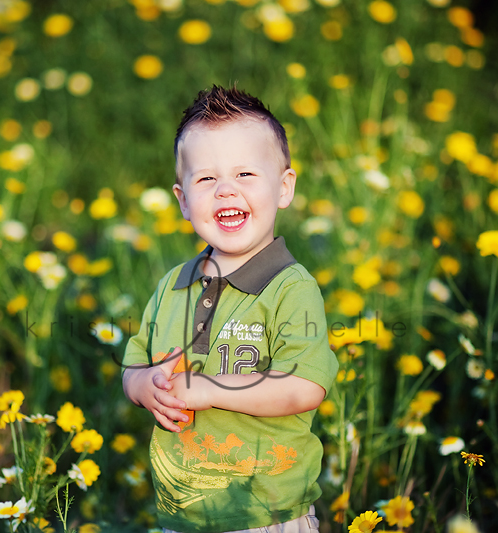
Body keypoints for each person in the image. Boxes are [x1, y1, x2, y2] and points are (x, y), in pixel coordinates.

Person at [121, 85, 338, 533]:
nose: (225, 191)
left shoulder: (289, 289)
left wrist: (210, 389)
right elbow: (133, 364)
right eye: (206, 179)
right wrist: (146, 386)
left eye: (244, 175)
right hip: (182, 515)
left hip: (266, 513)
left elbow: (304, 387)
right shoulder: (172, 286)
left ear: (284, 187)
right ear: (183, 200)